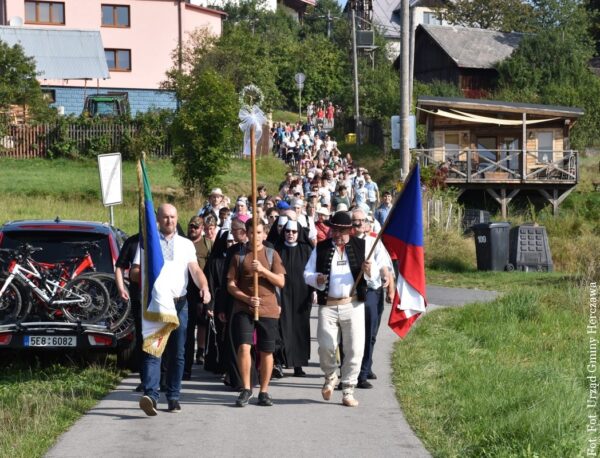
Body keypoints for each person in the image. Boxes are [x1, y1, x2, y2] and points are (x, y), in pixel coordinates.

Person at [132, 203, 211, 416]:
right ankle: (151, 396)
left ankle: (174, 396)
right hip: (156, 303)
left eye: (173, 217)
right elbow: (135, 271)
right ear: (158, 219)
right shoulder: (148, 243)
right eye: (166, 217)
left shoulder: (186, 244)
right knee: (153, 349)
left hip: (180, 303)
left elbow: (195, 270)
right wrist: (145, 276)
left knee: (178, 352)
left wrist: (204, 286)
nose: (170, 221)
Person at [303, 211, 382, 407]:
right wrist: (316, 279)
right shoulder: (320, 249)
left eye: (341, 230)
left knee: (354, 348)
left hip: (353, 304)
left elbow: (375, 279)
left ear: (350, 230)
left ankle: (348, 390)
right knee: (326, 346)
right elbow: (306, 273)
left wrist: (369, 272)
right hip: (328, 305)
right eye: (334, 229)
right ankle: (330, 376)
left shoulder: (363, 246)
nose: (337, 233)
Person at [227, 219, 286, 407]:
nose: (256, 236)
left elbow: (281, 282)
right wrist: (245, 298)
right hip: (244, 308)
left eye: (259, 232)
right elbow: (230, 285)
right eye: (252, 232)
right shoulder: (239, 256)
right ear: (247, 233)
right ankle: (246, 388)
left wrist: (262, 270)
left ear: (265, 234)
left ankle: (264, 391)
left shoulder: (271, 254)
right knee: (244, 346)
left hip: (268, 308)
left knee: (266, 350)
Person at [351, 208, 394, 389]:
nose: (359, 224)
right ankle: (355, 373)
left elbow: (385, 265)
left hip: (373, 291)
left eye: (362, 221)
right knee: (354, 335)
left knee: (371, 333)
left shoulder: (374, 242)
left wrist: (386, 279)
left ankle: (366, 367)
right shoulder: (346, 244)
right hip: (355, 293)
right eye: (355, 221)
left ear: (368, 223)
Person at [274, 220, 313, 376]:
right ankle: (280, 363)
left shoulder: (307, 250)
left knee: (299, 328)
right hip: (281, 294)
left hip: (302, 295)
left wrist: (314, 291)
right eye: (288, 231)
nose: (290, 234)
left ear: (299, 233)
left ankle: (298, 364)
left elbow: (312, 272)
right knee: (281, 327)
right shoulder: (277, 249)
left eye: (294, 232)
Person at [115, 232, 141, 390]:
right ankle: (145, 377)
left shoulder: (163, 240)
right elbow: (120, 266)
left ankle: (162, 376)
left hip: (161, 297)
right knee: (141, 336)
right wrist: (120, 288)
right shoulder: (132, 242)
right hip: (138, 295)